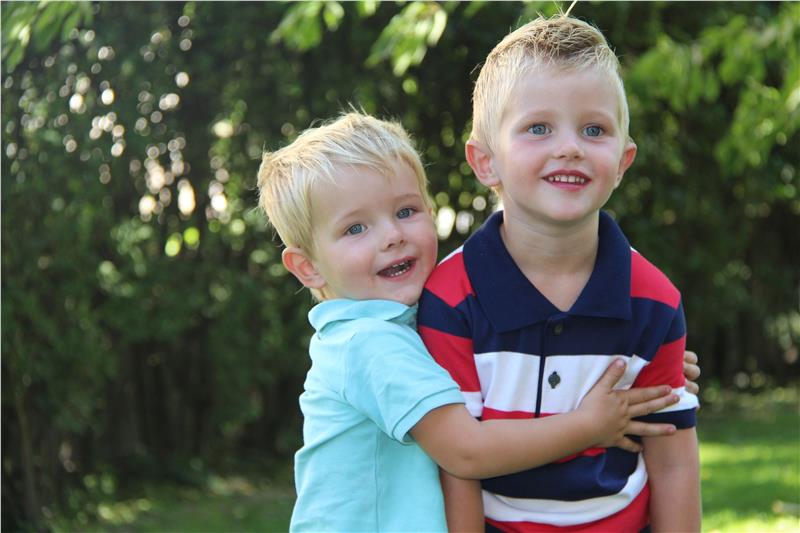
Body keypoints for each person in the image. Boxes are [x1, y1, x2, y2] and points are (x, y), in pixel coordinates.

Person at [257, 112, 700, 532]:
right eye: (355, 229)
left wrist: (641, 365)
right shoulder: (370, 344)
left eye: (406, 211)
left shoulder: (400, 325)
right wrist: (590, 426)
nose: (392, 236)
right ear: (307, 267)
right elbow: (465, 451)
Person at [418, 14, 701, 533]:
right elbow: (456, 467)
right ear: (485, 161)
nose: (570, 147)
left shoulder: (653, 299)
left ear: (623, 161)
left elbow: (673, 458)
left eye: (594, 130)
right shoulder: (450, 297)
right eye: (538, 128)